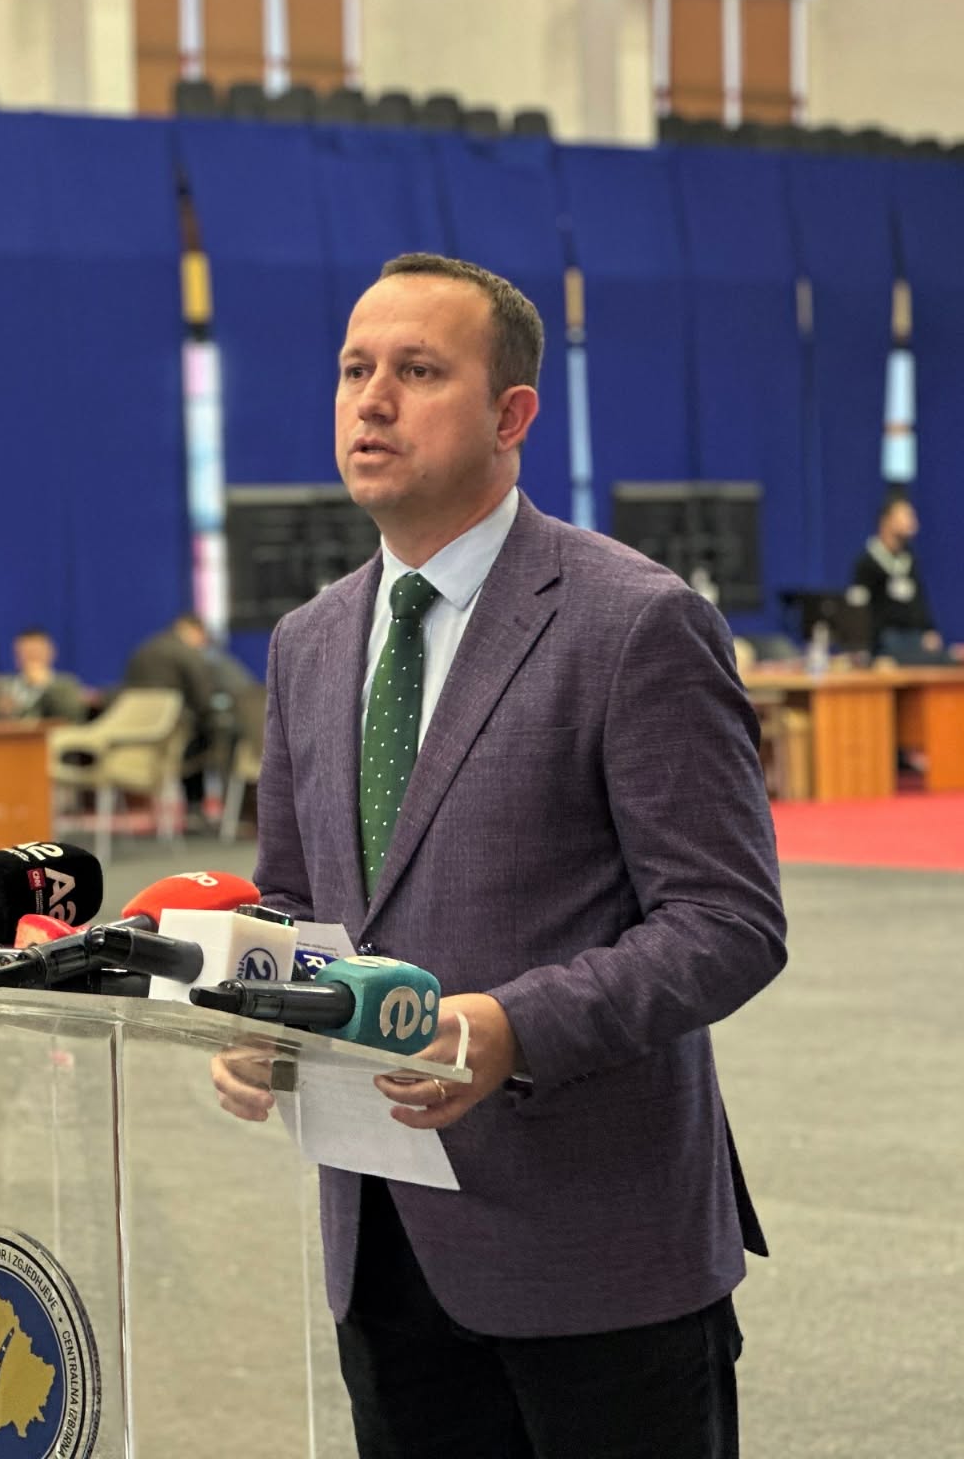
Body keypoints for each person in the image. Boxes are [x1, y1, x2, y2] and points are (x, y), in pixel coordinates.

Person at [214, 253, 786, 1459]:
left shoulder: (632, 622)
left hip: (596, 1252)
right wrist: (254, 1009)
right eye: (353, 370)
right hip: (380, 1245)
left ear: (510, 414)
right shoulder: (308, 641)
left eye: (418, 372)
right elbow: (295, 895)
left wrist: (508, 1029)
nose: (371, 401)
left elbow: (725, 924)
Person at [121, 613, 223, 811]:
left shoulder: (145, 648)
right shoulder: (187, 652)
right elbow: (203, 698)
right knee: (207, 734)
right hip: (171, 732)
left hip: (134, 732)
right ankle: (196, 807)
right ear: (194, 630)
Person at [848, 494, 946, 662]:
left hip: (914, 638)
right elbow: (858, 609)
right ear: (886, 521)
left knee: (945, 660)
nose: (912, 522)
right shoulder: (867, 563)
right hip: (884, 642)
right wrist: (865, 649)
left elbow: (919, 600)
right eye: (905, 515)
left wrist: (929, 630)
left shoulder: (909, 559)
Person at [0, 627, 88, 721]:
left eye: (37, 652)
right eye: (27, 652)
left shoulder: (66, 685)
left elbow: (74, 718)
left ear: (51, 653)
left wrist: (46, 685)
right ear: (16, 657)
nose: (33, 657)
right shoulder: (2, 686)